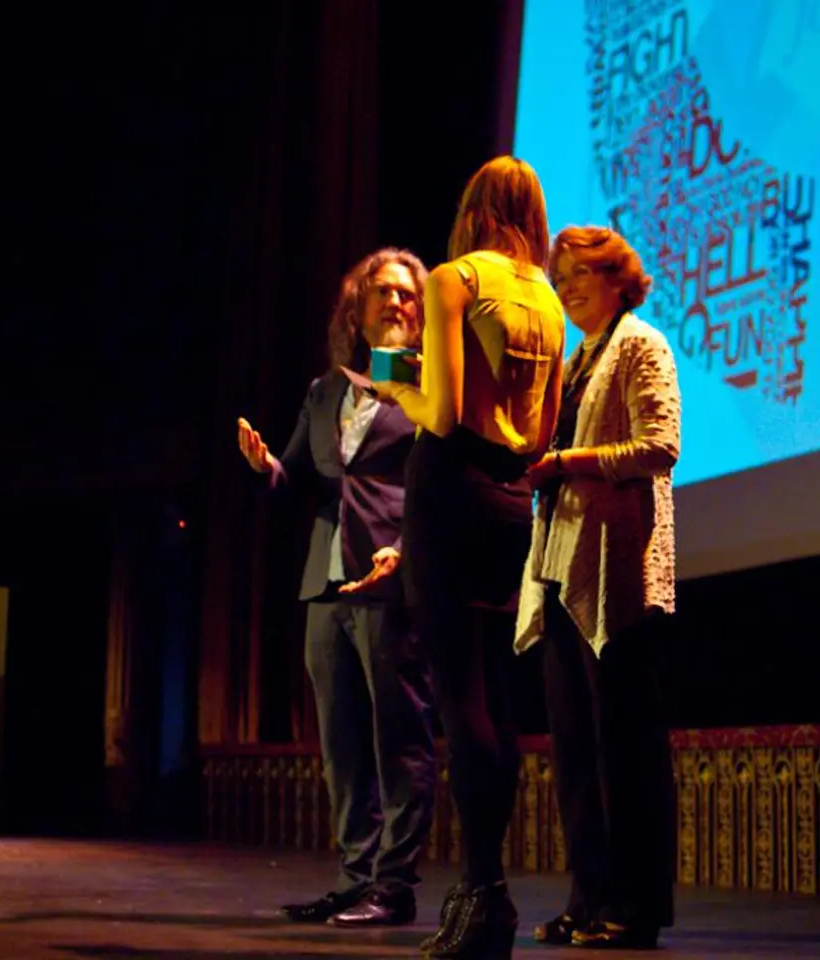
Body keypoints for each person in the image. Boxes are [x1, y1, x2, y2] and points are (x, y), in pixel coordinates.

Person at [370, 156, 565, 960]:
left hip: (450, 493)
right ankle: (486, 895)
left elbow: (443, 414)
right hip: (513, 502)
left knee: (459, 702)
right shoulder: (551, 303)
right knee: (498, 704)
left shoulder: (455, 278)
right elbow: (547, 433)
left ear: (473, 210)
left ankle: (483, 894)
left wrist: (398, 392)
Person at [236, 248, 436, 928]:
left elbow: (437, 489)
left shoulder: (429, 385)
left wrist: (407, 552)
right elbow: (296, 479)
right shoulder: (327, 391)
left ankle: (395, 884)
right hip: (326, 582)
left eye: (410, 294)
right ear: (358, 307)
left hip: (389, 576)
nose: (398, 303)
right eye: (385, 292)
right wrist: (265, 466)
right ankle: (356, 879)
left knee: (400, 738)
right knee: (342, 743)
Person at [516, 225, 681, 949]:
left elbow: (660, 446)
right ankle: (587, 898)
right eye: (561, 278)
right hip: (561, 567)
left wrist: (570, 462)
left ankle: (634, 906)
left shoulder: (641, 343)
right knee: (576, 753)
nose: (568, 286)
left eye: (582, 272)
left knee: (626, 752)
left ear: (619, 276)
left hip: (614, 570)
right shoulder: (576, 358)